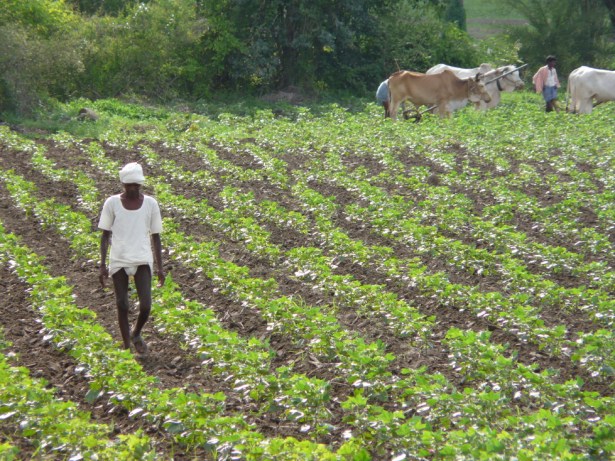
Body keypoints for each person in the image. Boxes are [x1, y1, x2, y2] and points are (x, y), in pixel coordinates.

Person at [98, 162, 165, 355]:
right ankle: (127, 346)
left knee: (146, 305)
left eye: (137, 185)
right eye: (130, 185)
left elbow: (156, 236)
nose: (134, 188)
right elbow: (105, 235)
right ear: (123, 185)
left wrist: (160, 267)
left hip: (142, 258)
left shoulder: (151, 204)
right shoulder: (111, 203)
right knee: (122, 304)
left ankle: (136, 334)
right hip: (119, 258)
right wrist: (102, 265)